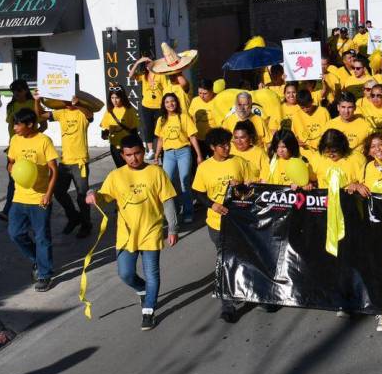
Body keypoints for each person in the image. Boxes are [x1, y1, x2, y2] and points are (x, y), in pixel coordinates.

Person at [88, 134, 178, 330]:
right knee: (125, 273)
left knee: (152, 273)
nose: (134, 158)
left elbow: (168, 201)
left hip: (151, 231)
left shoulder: (156, 173)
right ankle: (143, 290)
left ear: (143, 152)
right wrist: (93, 195)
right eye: (129, 155)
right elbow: (105, 197)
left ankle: (149, 311)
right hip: (126, 235)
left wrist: (172, 228)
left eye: (137, 153)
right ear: (122, 155)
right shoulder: (116, 176)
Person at [192, 128, 256, 322]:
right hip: (217, 224)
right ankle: (227, 306)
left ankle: (248, 292)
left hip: (240, 223)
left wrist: (242, 187)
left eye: (229, 144)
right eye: (223, 145)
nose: (228, 147)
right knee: (225, 261)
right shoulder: (204, 168)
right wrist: (213, 205)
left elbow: (253, 188)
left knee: (242, 259)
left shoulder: (239, 162)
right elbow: (198, 193)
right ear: (212, 147)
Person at [6, 108, 59, 292]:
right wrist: (11, 169)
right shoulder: (15, 140)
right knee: (15, 234)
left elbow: (53, 170)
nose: (14, 127)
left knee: (42, 237)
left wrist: (48, 194)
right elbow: (11, 161)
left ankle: (45, 274)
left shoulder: (44, 141)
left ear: (29, 124)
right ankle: (37, 259)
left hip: (39, 199)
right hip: (19, 197)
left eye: (17, 124)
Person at [39, 93, 95, 238]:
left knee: (82, 196)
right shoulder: (61, 113)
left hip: (80, 162)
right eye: (65, 99)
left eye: (70, 99)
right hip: (64, 162)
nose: (68, 102)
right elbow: (40, 114)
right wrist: (36, 101)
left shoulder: (82, 113)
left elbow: (90, 116)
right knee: (58, 192)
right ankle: (73, 217)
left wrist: (78, 105)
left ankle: (86, 224)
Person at [154, 92, 203, 225]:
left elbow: (192, 137)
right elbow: (160, 139)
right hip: (168, 154)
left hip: (184, 152)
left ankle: (188, 212)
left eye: (173, 101)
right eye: (167, 102)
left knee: (184, 182)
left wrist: (199, 155)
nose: (170, 104)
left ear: (177, 102)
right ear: (164, 105)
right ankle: (172, 211)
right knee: (168, 183)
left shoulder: (184, 117)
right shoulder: (161, 120)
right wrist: (156, 155)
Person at [0, 79, 43, 220]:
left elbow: (43, 124)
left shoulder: (33, 104)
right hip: (14, 147)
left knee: (34, 177)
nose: (16, 93)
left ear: (25, 90)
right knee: (13, 180)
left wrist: (34, 137)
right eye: (14, 91)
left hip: (31, 147)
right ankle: (9, 210)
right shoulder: (11, 106)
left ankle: (33, 207)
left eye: (19, 90)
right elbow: (10, 125)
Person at [325, 92, 374, 157]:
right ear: (338, 107)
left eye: (350, 107)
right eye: (343, 107)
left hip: (358, 162)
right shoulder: (330, 125)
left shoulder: (366, 125)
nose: (346, 111)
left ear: (355, 108)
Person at [101, 87, 140, 168]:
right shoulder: (109, 111)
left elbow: (134, 130)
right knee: (121, 169)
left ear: (122, 97)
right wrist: (104, 134)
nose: (114, 100)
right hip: (114, 146)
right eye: (112, 98)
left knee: (131, 168)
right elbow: (105, 128)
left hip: (127, 146)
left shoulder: (129, 110)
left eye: (117, 98)